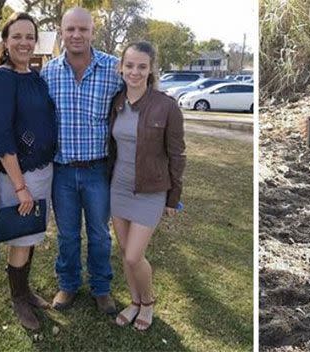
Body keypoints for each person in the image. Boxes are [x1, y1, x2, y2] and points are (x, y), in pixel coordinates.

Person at [40, 7, 121, 314]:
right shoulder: (49, 72)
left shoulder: (114, 70)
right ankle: (68, 285)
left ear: (92, 32)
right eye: (70, 29)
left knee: (100, 234)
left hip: (98, 170)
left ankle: (101, 288)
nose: (76, 35)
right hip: (62, 171)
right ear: (62, 31)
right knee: (68, 234)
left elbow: (142, 93)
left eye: (82, 30)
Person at [0, 12, 57, 330]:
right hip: (19, 174)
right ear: (5, 41)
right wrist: (19, 187)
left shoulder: (35, 75)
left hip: (43, 170)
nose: (24, 42)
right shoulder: (2, 78)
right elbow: (1, 135)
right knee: (21, 235)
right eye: (17, 36)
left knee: (31, 236)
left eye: (30, 36)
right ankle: (17, 298)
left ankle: (25, 290)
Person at [109, 41, 186, 330]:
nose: (135, 72)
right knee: (125, 254)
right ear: (121, 67)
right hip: (118, 187)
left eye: (142, 66)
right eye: (129, 65)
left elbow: (178, 154)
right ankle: (134, 301)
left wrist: (172, 198)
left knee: (134, 254)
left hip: (151, 190)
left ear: (151, 68)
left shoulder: (166, 106)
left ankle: (149, 301)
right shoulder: (116, 102)